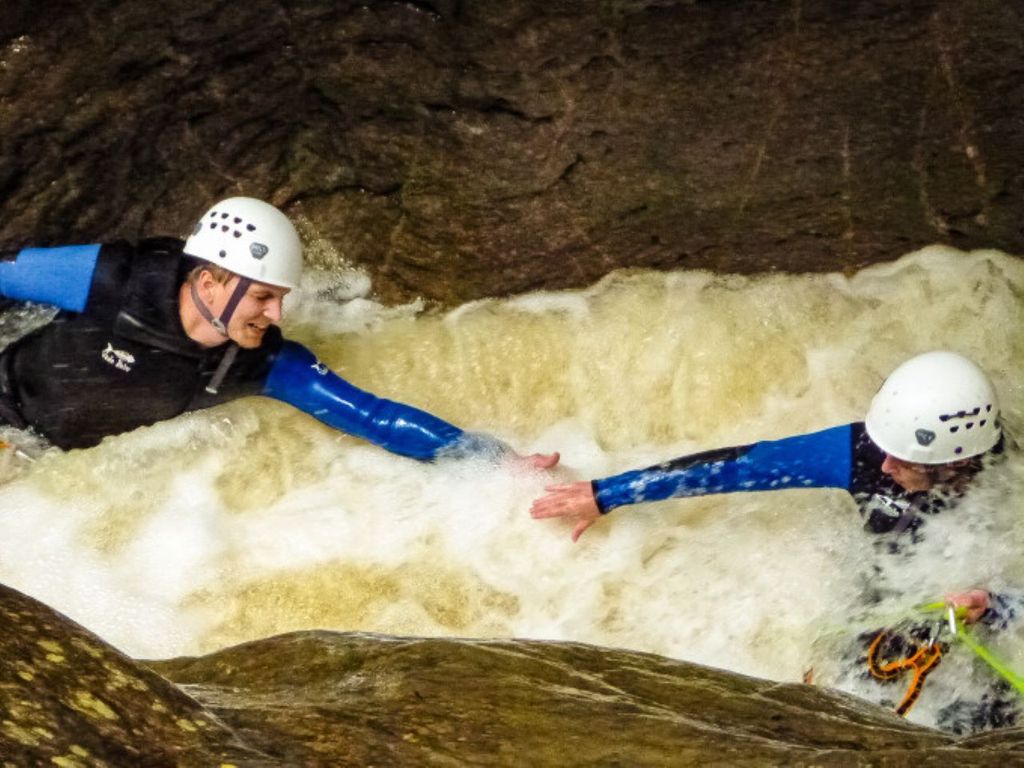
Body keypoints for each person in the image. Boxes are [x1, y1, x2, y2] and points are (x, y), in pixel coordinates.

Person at [0, 196, 559, 469]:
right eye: (264, 297)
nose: (275, 316)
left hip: (59, 468)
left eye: (279, 299)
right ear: (211, 282)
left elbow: (373, 417)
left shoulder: (259, 363)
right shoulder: (111, 277)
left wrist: (497, 461)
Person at [531, 351, 1009, 617]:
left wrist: (995, 607)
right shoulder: (861, 450)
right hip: (883, 600)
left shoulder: (1010, 490)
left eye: (902, 462)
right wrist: (607, 493)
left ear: (955, 463)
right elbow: (739, 467)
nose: (882, 468)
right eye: (884, 450)